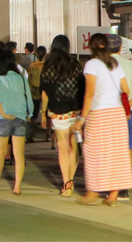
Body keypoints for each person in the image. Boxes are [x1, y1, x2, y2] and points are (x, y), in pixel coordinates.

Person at [72, 33, 132, 206]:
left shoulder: (91, 64)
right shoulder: (115, 64)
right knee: (116, 153)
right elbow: (125, 89)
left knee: (93, 151)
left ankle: (93, 192)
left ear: (91, 47)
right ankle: (113, 195)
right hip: (118, 113)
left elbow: (89, 93)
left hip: (99, 113)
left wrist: (82, 119)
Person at [40, 35, 85, 197]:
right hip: (75, 111)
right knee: (74, 146)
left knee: (62, 147)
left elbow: (45, 93)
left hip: (57, 113)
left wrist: (43, 113)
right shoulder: (74, 65)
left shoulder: (48, 66)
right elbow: (82, 87)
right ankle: (71, 180)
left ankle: (66, 183)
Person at [0, 49, 33, 194]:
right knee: (19, 155)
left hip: (2, 119)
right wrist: (30, 113)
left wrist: (3, 113)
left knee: (0, 153)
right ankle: (17, 187)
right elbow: (29, 98)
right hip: (20, 118)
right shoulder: (21, 78)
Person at [106, 34, 132, 202]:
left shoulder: (102, 65)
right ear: (121, 48)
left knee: (112, 149)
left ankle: (112, 185)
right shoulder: (131, 64)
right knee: (128, 148)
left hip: (110, 112)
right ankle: (123, 188)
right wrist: (127, 105)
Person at [26, 45, 46, 142]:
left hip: (34, 92)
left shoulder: (32, 65)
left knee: (33, 115)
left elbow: (29, 79)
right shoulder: (47, 65)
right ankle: (49, 134)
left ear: (36, 54)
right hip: (46, 92)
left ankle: (31, 135)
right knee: (47, 114)